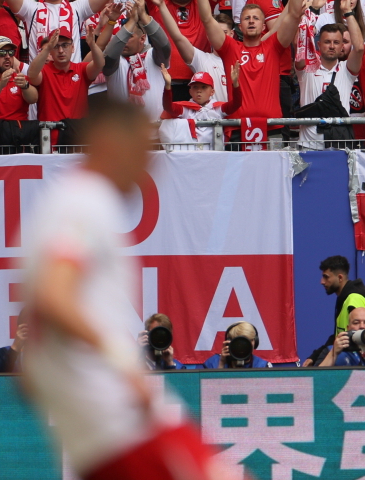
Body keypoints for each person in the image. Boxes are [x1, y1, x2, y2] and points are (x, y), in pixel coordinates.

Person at [23, 96, 228, 479]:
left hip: (100, 418)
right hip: (118, 410)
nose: (151, 161)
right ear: (109, 142)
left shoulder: (64, 201)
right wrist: (120, 361)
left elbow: (43, 305)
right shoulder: (85, 202)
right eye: (143, 146)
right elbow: (54, 294)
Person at [202, 322, 272, 369]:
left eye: (250, 340)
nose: (244, 345)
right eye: (240, 342)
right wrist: (221, 364)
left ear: (255, 342)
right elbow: (210, 389)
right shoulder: (212, 363)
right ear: (229, 342)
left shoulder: (264, 366)